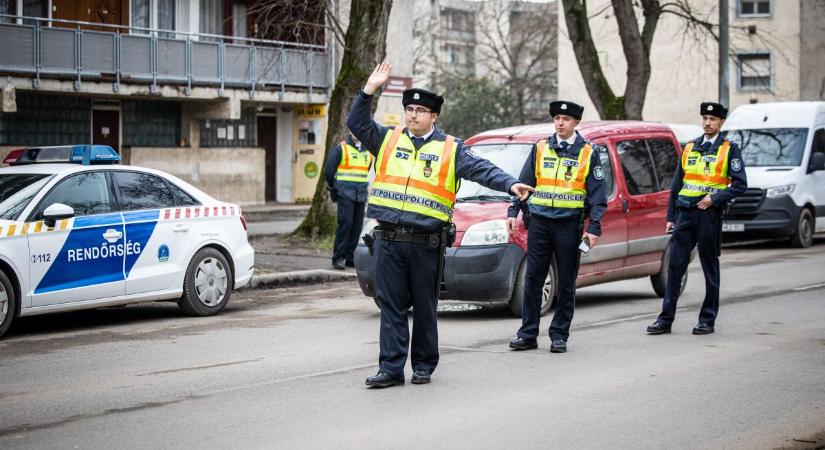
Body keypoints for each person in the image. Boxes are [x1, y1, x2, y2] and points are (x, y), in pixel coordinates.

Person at [348, 63, 533, 388]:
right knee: (391, 307)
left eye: (421, 110)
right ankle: (391, 369)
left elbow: (483, 170)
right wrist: (368, 90)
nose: (413, 115)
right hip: (388, 240)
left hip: (426, 243)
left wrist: (511, 185)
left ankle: (422, 366)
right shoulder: (387, 139)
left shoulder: (451, 148)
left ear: (434, 116)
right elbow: (356, 122)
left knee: (424, 306)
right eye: (409, 109)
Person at [507, 100, 607, 353]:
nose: (560, 123)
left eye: (566, 119)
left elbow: (597, 196)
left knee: (565, 281)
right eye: (557, 118)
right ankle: (528, 333)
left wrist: (593, 228)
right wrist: (513, 211)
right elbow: (524, 183)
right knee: (533, 278)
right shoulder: (541, 147)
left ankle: (559, 334)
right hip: (539, 222)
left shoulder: (588, 152)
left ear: (576, 123)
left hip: (569, 224)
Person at [647, 102, 747, 335]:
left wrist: (715, 198)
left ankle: (707, 319)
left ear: (721, 122)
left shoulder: (729, 149)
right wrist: (671, 215)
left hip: (709, 215)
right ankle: (666, 319)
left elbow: (741, 184)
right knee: (674, 266)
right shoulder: (691, 147)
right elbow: (676, 185)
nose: (707, 123)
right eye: (704, 118)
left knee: (709, 267)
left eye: (712, 119)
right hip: (685, 214)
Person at [324, 133, 374, 269]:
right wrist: (333, 188)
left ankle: (350, 258)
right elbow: (329, 170)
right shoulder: (342, 148)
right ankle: (338, 258)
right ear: (350, 131)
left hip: (361, 193)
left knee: (357, 227)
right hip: (345, 192)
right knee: (346, 224)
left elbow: (366, 169)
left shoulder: (368, 150)